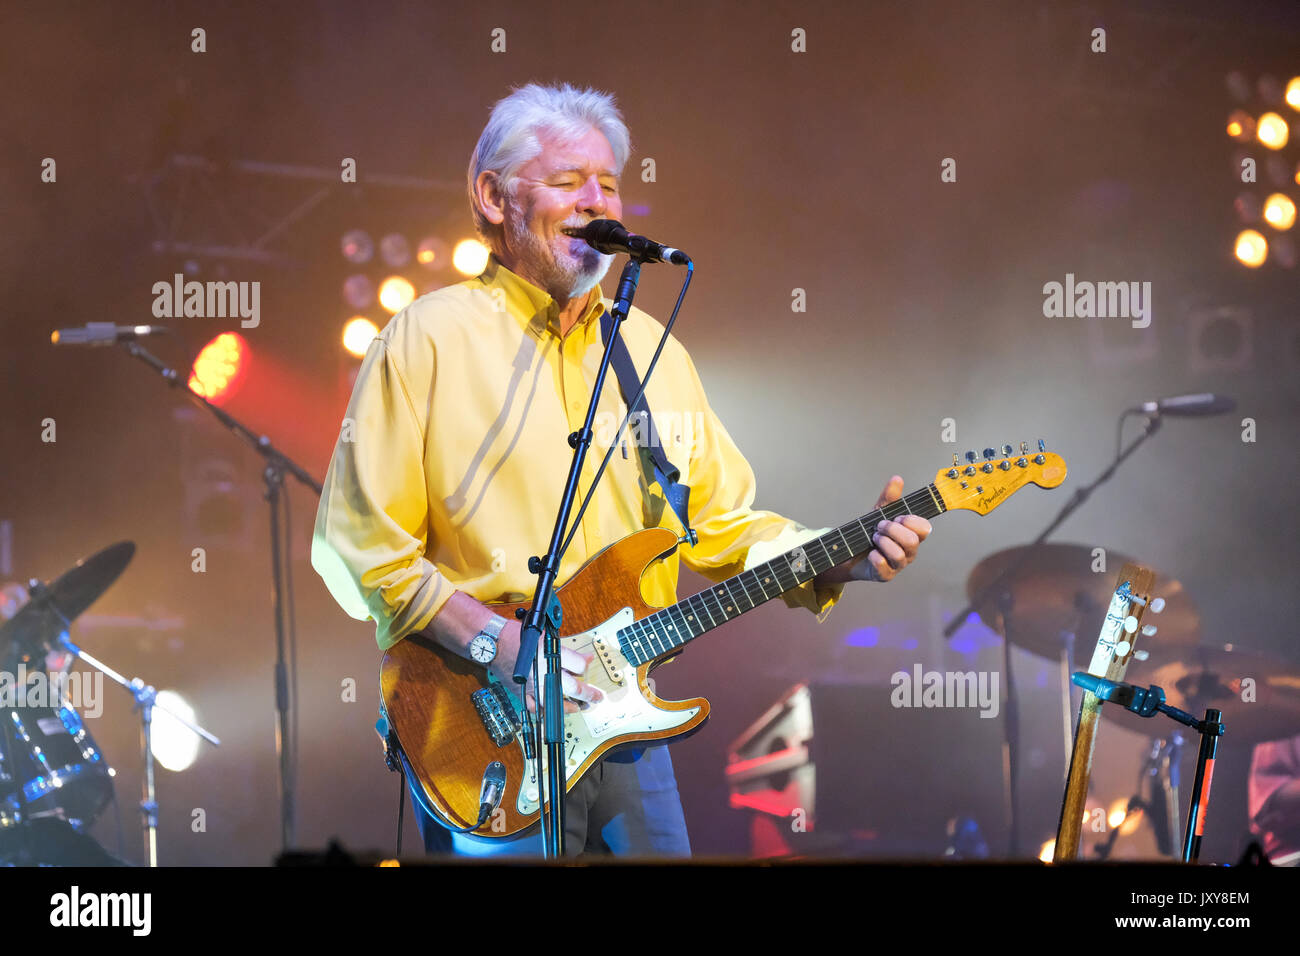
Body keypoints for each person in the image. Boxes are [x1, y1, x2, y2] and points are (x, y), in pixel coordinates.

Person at [311, 82, 930, 857]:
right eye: (568, 182)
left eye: (608, 184)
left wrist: (832, 558)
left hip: (628, 728)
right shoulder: (426, 340)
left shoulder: (654, 355)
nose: (596, 202)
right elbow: (359, 548)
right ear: (493, 197)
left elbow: (721, 524)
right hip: (483, 725)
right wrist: (501, 646)